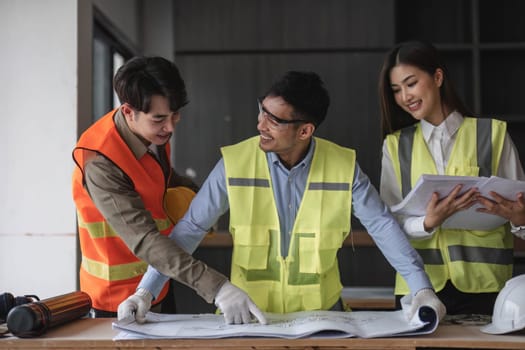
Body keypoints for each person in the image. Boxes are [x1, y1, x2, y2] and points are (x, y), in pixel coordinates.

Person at [119, 70, 445, 322]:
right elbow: (189, 231)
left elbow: (383, 226)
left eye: (273, 119)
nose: (260, 124)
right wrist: (146, 291)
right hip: (249, 318)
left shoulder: (343, 166)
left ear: (305, 131)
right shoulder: (235, 162)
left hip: (323, 320)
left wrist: (422, 288)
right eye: (262, 111)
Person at [72, 56, 265, 324]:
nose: (171, 126)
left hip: (158, 281)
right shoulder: (100, 162)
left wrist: (198, 198)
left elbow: (160, 177)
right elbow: (144, 239)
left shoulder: (153, 134)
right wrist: (218, 287)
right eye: (160, 118)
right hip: (117, 301)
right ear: (129, 111)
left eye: (175, 114)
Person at [378, 40, 525, 315]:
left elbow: (521, 208)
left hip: (487, 288)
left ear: (437, 77)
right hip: (418, 288)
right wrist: (427, 222)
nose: (404, 96)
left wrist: (519, 219)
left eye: (411, 83)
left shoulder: (492, 135)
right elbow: (388, 223)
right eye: (396, 90)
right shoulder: (395, 146)